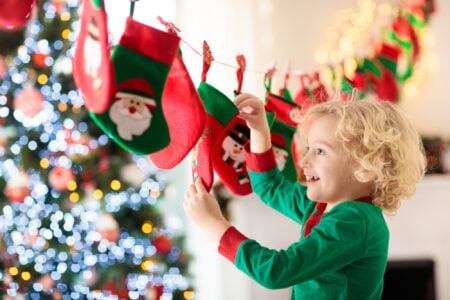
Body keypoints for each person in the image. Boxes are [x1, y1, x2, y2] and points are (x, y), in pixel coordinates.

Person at [183, 92, 426, 300]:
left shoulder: (355, 221)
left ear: (365, 166)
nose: (305, 160)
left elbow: (277, 271)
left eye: (320, 151)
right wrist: (259, 130)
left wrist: (214, 225)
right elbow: (270, 187)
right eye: (309, 149)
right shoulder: (322, 206)